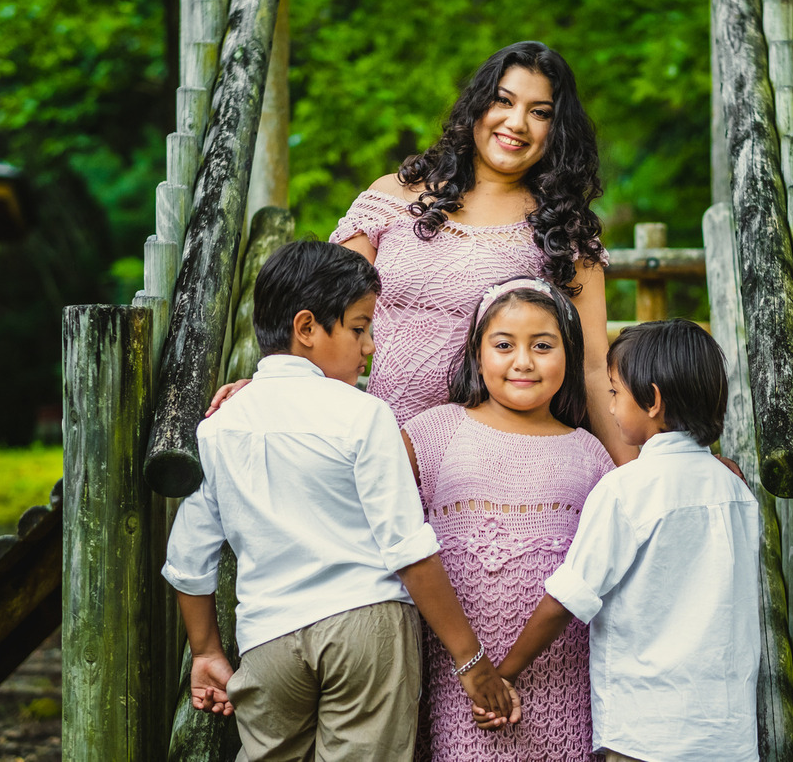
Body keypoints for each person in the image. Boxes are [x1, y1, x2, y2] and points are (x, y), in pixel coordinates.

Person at [162, 241, 514, 761]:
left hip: (268, 638)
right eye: (358, 328)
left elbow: (188, 563)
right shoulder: (365, 415)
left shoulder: (219, 428)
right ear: (307, 328)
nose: (369, 346)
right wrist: (471, 660)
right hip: (365, 627)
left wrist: (207, 650)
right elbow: (408, 549)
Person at [211, 41, 632, 464]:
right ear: (478, 106)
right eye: (503, 100)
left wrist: (634, 477)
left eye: (540, 112)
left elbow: (593, 368)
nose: (517, 122)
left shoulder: (564, 232)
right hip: (367, 443)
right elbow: (318, 312)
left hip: (488, 462)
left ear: (557, 129)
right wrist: (271, 386)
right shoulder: (391, 198)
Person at [491, 319, 762, 762]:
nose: (611, 408)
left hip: (646, 733)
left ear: (651, 400)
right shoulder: (736, 491)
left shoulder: (626, 490)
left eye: (615, 392)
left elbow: (568, 598)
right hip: (725, 733)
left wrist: (505, 673)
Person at [401, 276, 616, 761]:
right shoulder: (434, 432)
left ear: (570, 354)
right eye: (504, 345)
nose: (523, 361)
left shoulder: (589, 454)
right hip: (459, 681)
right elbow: (353, 474)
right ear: (478, 354)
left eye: (543, 345)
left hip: (562, 680)